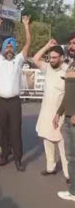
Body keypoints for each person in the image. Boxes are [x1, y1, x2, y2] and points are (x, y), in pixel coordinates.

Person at [0, 16, 31, 171]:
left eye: (12, 47)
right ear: (4, 49)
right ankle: (5, 155)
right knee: (3, 130)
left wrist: (26, 26)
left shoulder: (18, 60)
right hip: (2, 102)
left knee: (15, 131)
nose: (9, 49)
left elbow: (28, 45)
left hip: (14, 103)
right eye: (7, 47)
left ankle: (18, 159)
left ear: (14, 49)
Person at [33, 40, 69, 181]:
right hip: (46, 112)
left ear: (61, 57)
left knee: (63, 145)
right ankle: (51, 168)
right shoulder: (47, 67)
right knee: (47, 141)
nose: (52, 60)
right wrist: (46, 46)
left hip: (61, 114)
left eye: (55, 58)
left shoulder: (67, 70)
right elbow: (35, 58)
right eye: (50, 57)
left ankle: (68, 174)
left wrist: (60, 113)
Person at [54, 32, 75, 202]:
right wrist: (58, 113)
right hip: (67, 118)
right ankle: (74, 190)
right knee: (70, 157)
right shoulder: (71, 65)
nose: (72, 46)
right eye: (71, 43)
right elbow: (68, 95)